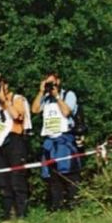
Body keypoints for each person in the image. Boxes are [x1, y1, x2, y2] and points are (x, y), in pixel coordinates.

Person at [0, 73, 31, 220]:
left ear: (7, 85)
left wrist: (4, 100)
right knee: (3, 180)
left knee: (17, 178)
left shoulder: (17, 98)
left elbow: (17, 116)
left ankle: (21, 213)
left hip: (14, 141)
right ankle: (7, 214)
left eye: (1, 84)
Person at [31, 72, 80, 210]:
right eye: (48, 83)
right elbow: (34, 110)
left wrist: (57, 96)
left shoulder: (68, 95)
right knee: (51, 173)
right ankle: (56, 204)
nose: (50, 86)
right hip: (49, 139)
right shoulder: (46, 98)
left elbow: (66, 112)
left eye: (53, 82)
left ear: (58, 82)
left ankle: (73, 202)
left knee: (68, 170)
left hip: (65, 137)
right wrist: (41, 92)